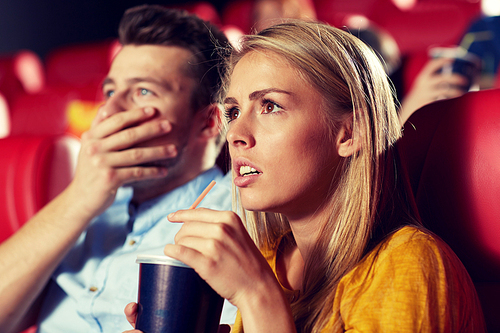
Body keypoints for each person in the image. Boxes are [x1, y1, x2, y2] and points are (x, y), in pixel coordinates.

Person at [125, 20, 485, 332]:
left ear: (350, 133)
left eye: (270, 106)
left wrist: (258, 297)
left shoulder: (410, 263)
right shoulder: (269, 258)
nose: (235, 134)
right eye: (233, 111)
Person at [0, 5, 237, 332]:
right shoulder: (88, 203)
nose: (109, 109)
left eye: (143, 91)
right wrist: (80, 199)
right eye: (110, 91)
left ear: (209, 122)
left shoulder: (238, 219)